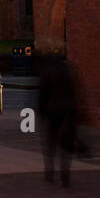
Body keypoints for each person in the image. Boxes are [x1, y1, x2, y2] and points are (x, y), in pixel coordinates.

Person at [37, 52, 80, 185]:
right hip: (67, 111)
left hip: (52, 111)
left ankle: (50, 171)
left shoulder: (47, 71)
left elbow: (43, 93)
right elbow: (75, 90)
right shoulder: (68, 70)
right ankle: (65, 172)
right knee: (66, 143)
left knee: (51, 142)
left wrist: (40, 112)